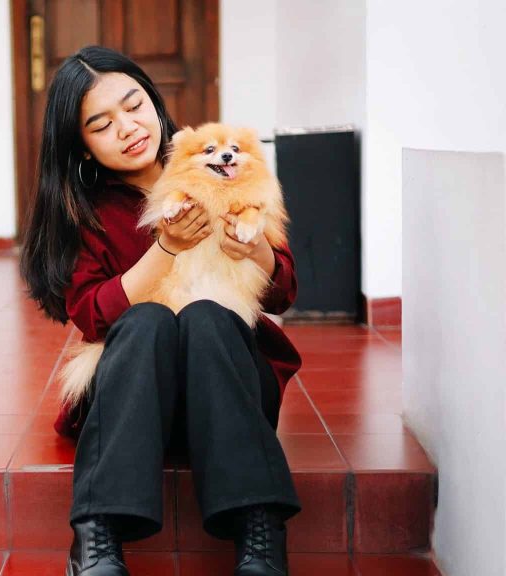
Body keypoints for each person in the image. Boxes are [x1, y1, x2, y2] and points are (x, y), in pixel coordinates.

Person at [19, 46, 304, 576]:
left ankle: (259, 534)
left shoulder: (221, 167)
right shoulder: (91, 213)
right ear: (81, 146)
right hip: (134, 405)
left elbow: (283, 293)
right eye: (101, 124)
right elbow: (93, 315)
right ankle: (97, 536)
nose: (128, 127)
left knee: (207, 316)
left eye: (134, 104)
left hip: (227, 395)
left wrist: (255, 251)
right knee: (146, 320)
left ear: (154, 100)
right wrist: (165, 248)